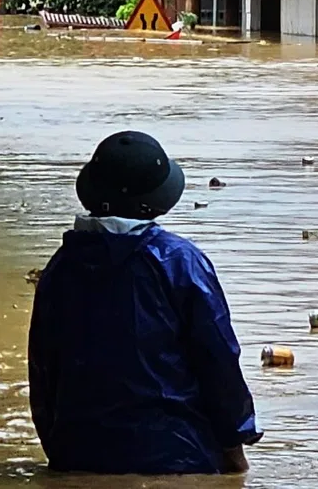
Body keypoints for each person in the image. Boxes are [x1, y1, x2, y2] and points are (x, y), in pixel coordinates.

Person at [29, 131, 262, 475]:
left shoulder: (61, 267)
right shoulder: (180, 262)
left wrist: (61, 452)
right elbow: (218, 360)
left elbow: (43, 370)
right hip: (178, 456)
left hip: (78, 454)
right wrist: (234, 445)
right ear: (157, 200)